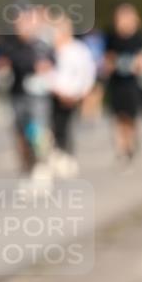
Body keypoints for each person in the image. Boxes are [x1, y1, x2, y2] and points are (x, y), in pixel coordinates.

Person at [0, 5, 54, 182]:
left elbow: (51, 62)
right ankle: (26, 166)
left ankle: (42, 164)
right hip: (17, 93)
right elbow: (5, 64)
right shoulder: (9, 44)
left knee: (39, 130)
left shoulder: (42, 44)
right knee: (20, 132)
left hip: (38, 96)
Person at [48, 14, 97, 177]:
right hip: (54, 94)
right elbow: (46, 72)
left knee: (66, 125)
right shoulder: (50, 49)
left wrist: (80, 92)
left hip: (72, 96)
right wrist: (56, 89)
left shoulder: (78, 50)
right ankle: (56, 154)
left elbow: (87, 72)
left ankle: (67, 155)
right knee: (53, 126)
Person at [103, 3, 142, 162]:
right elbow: (107, 59)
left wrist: (138, 65)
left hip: (132, 83)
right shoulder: (111, 37)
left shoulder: (139, 38)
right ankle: (121, 148)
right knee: (118, 116)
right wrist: (111, 64)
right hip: (116, 83)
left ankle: (131, 144)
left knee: (131, 117)